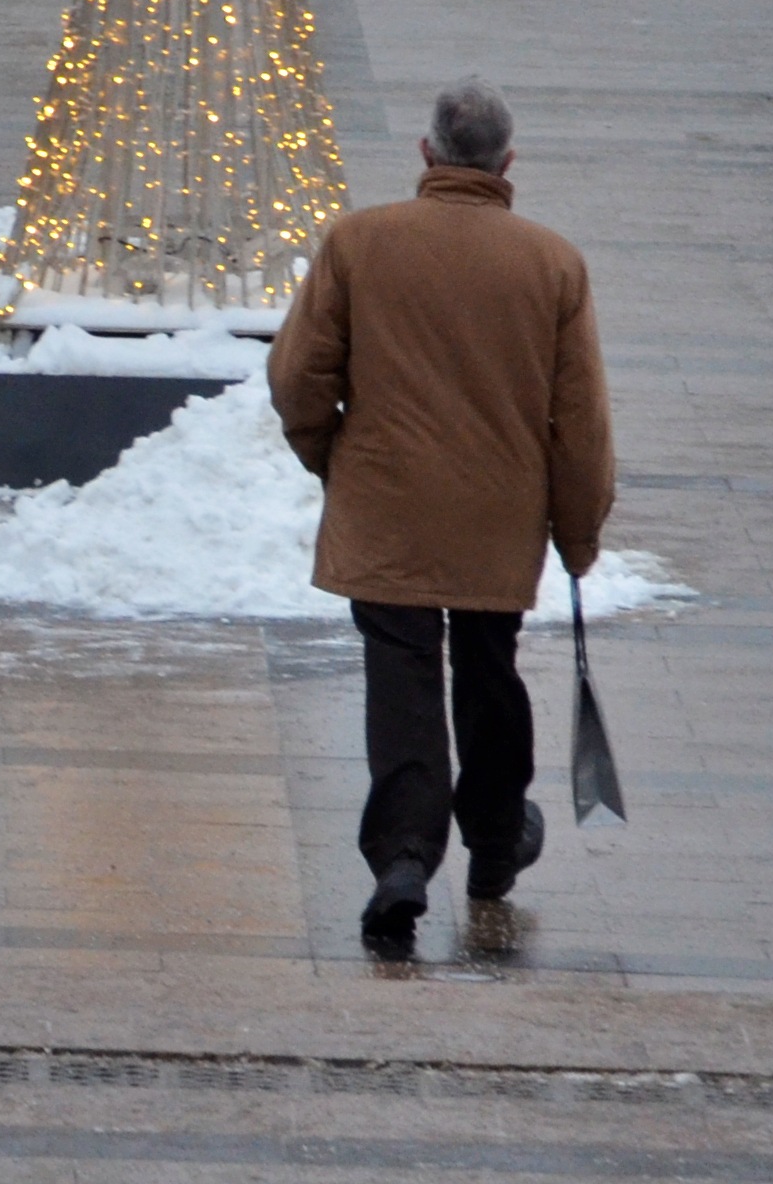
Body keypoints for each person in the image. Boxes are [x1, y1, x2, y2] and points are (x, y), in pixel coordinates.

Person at [269, 80, 614, 956]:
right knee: (488, 670)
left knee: (402, 680)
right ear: (507, 164)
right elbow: (580, 426)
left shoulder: (358, 242)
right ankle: (495, 843)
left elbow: (297, 377)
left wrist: (332, 459)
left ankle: (404, 858)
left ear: (427, 155)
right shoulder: (553, 264)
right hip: (498, 518)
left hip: (386, 509)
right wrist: (577, 534)